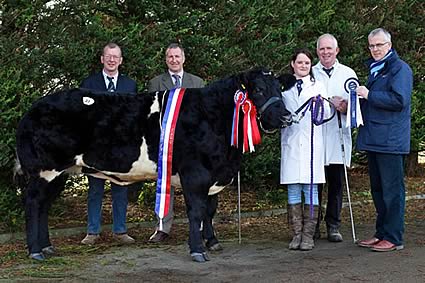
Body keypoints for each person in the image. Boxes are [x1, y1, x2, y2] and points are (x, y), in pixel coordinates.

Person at [356, 28, 413, 252]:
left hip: (390, 140)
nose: (375, 49)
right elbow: (372, 103)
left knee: (392, 191)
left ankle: (394, 237)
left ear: (389, 45)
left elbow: (399, 100)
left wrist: (368, 95)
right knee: (378, 190)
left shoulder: (400, 69)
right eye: (371, 46)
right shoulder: (377, 69)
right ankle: (381, 233)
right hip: (374, 138)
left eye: (379, 45)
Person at [80, 42, 137, 245]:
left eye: (116, 57)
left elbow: (133, 116)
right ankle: (92, 232)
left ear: (121, 60)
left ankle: (120, 231)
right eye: (108, 56)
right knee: (95, 189)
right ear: (102, 59)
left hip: (121, 148)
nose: (112, 60)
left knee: (120, 188)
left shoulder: (130, 85)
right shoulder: (89, 83)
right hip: (95, 148)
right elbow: (83, 116)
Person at [147, 43, 204, 243]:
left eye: (177, 56)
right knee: (165, 184)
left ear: (183, 58)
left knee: (195, 185)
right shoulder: (155, 84)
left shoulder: (197, 83)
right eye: (170, 57)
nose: (174, 60)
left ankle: (198, 226)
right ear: (166, 60)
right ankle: (163, 228)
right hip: (165, 144)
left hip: (192, 145)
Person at [280, 48, 330, 251]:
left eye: (307, 63)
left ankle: (308, 236)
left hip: (311, 144)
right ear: (293, 64)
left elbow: (326, 112)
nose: (303, 66)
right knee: (293, 189)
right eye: (299, 62)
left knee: (310, 190)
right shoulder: (284, 88)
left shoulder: (318, 86)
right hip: (291, 143)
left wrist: (320, 104)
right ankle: (296, 234)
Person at [312, 34, 359, 242]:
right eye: (322, 49)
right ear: (317, 52)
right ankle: (313, 225)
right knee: (315, 184)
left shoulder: (348, 73)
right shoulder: (311, 72)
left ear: (337, 50)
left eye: (329, 49)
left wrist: (346, 107)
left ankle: (333, 225)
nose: (326, 52)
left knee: (336, 184)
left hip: (338, 136)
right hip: (317, 137)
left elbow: (356, 107)